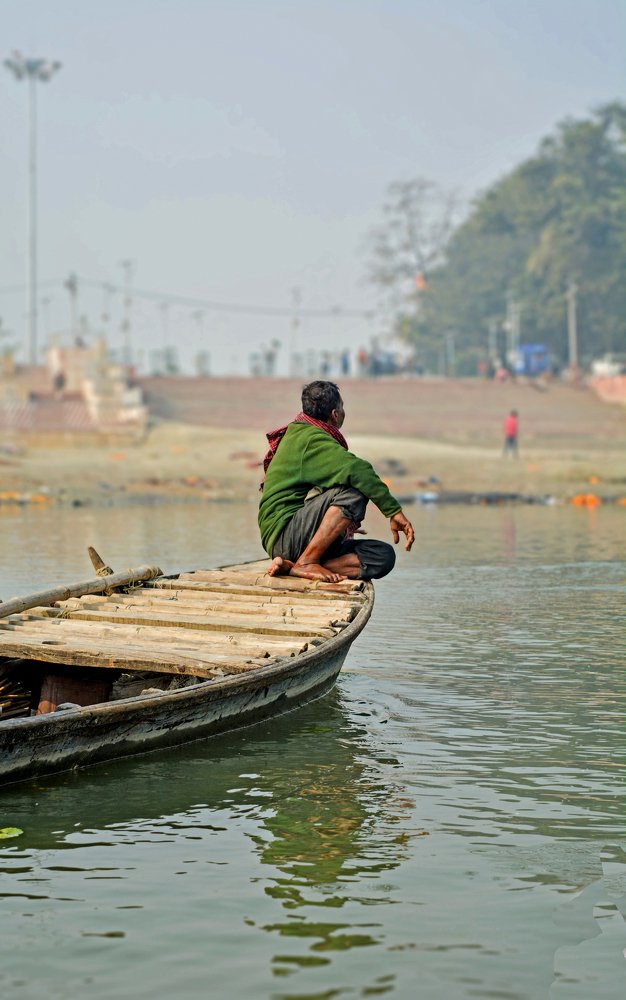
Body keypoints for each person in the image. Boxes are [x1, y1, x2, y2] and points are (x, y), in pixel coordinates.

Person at [258, 380, 415, 582]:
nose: (343, 412)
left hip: (293, 539)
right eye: (342, 407)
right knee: (354, 492)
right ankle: (307, 562)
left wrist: (338, 528)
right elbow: (359, 470)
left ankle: (293, 567)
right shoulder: (309, 439)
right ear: (335, 414)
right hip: (284, 536)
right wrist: (394, 512)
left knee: (382, 557)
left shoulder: (303, 432)